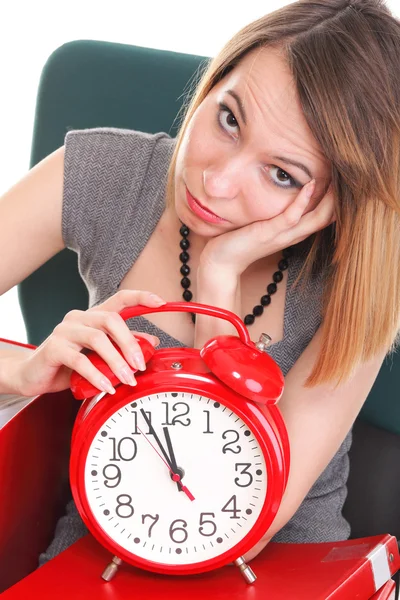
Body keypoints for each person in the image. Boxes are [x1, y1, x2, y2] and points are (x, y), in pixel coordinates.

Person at [1, 0, 399, 565]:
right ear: (214, 81)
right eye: (230, 118)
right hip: (107, 552)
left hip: (277, 573)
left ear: (337, 202)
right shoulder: (108, 173)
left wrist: (219, 278)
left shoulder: (355, 283)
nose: (216, 180)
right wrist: (18, 370)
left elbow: (237, 521)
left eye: (281, 173)